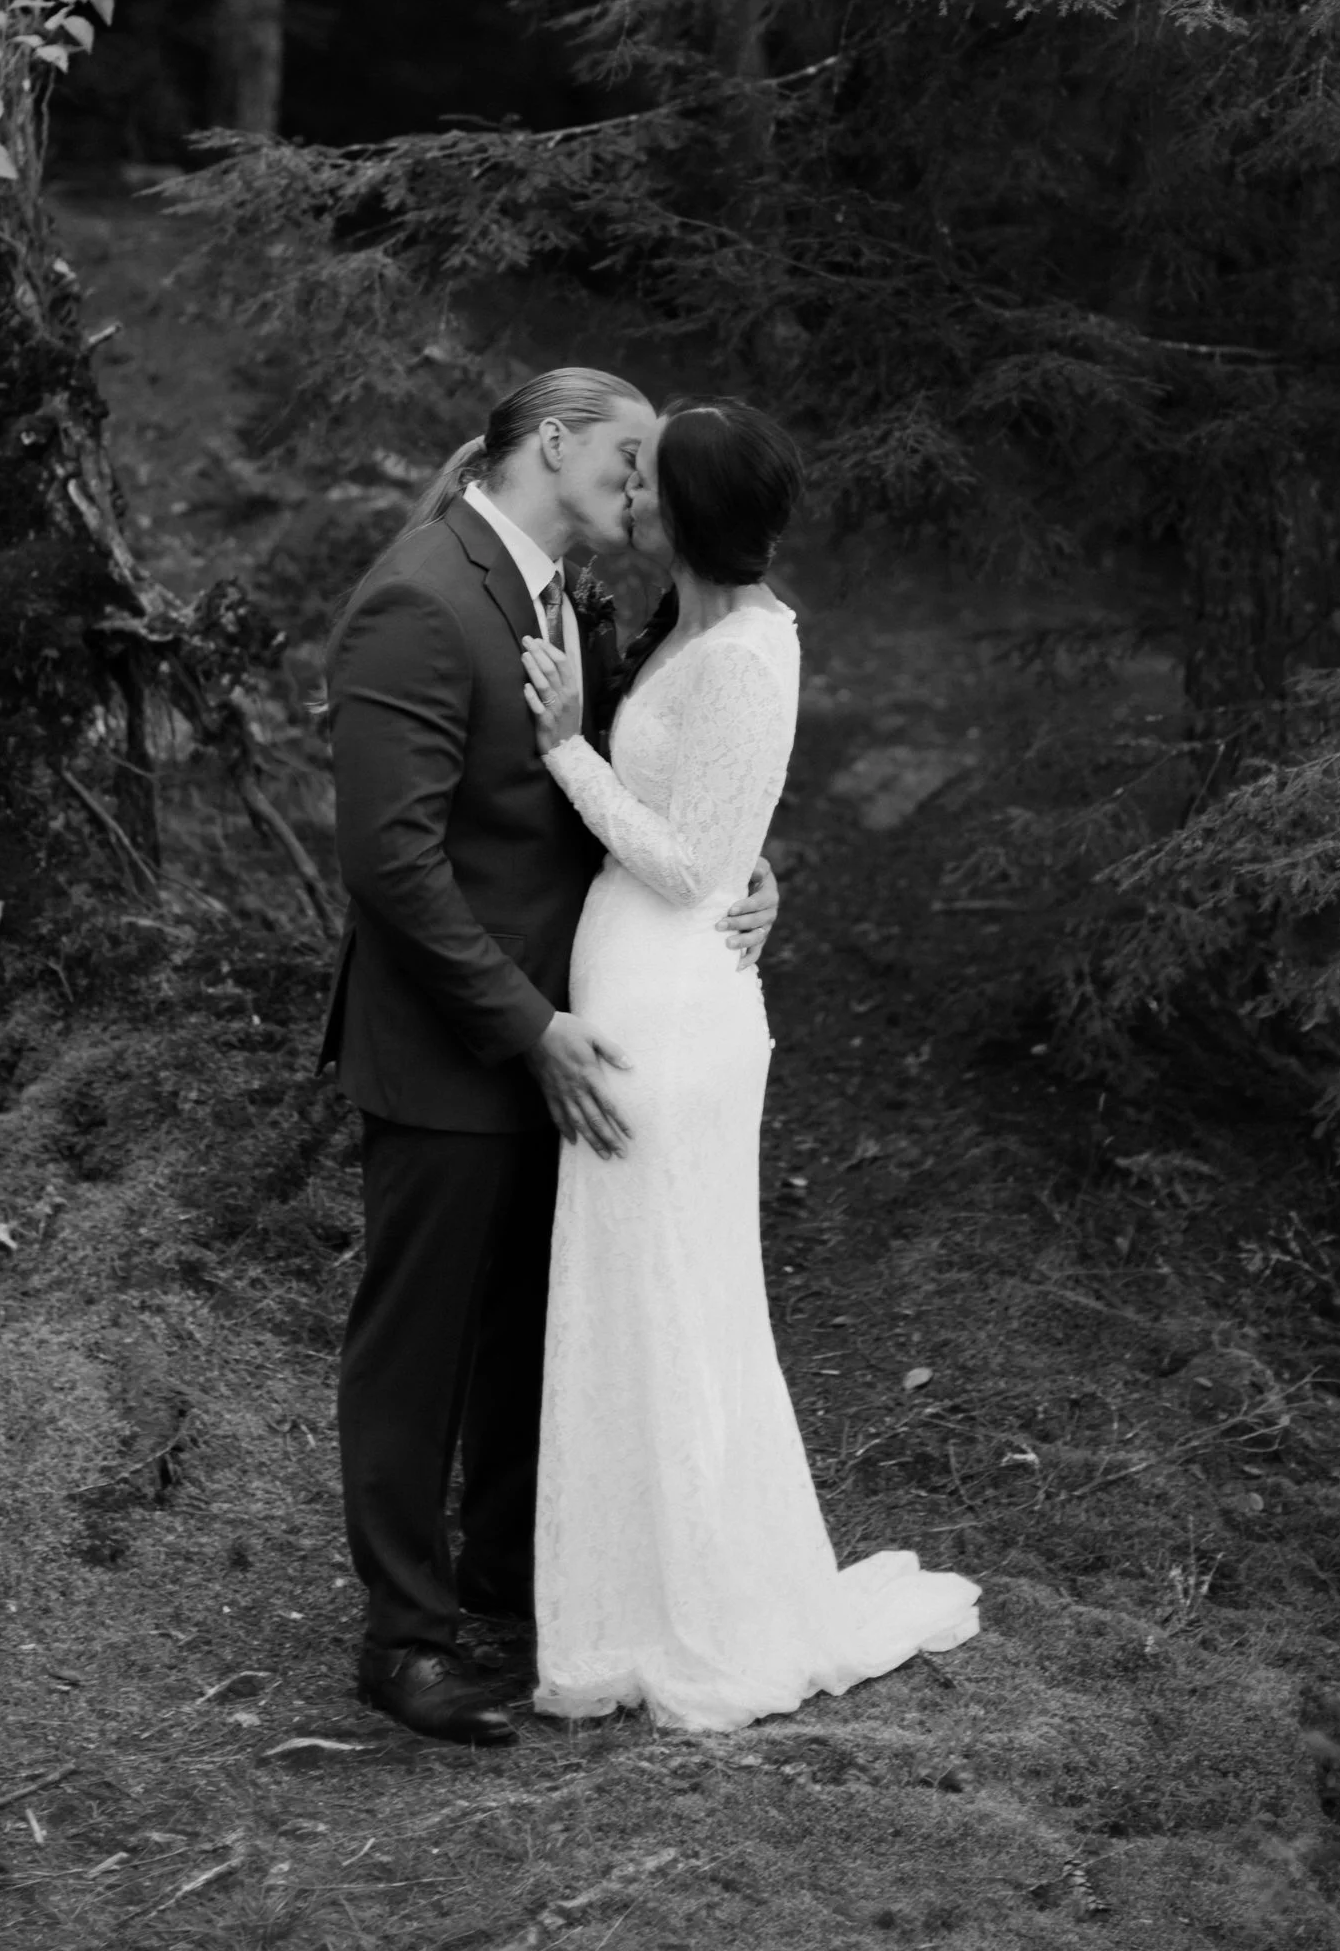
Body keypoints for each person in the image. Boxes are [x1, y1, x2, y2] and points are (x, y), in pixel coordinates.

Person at [322, 366, 779, 1746]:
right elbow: (390, 863)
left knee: (532, 1336)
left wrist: (751, 874)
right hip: (463, 1046)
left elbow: (639, 803)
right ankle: (402, 1645)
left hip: (576, 1037)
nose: (643, 489)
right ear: (555, 443)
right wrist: (526, 1029)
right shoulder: (418, 594)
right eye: (629, 457)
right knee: (418, 1352)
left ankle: (506, 1596)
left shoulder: (567, 596)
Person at [519, 397, 980, 1730]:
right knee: (635, 1298)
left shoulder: (750, 648)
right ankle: (632, 1590)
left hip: (669, 1014)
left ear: (697, 512)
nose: (637, 495)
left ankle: (694, 1606)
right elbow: (710, 816)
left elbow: (680, 861)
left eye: (654, 481)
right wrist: (730, 839)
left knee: (670, 1299)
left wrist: (563, 750)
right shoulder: (694, 624)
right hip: (645, 983)